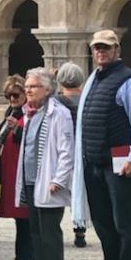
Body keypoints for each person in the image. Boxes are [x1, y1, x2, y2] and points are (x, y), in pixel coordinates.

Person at [74, 29, 131, 260]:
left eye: (105, 48)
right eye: (96, 47)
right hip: (95, 162)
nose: (100, 52)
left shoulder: (128, 81)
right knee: (103, 223)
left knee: (123, 225)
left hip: (119, 164)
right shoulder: (95, 78)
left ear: (117, 50)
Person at [14, 67, 75, 260]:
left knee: (50, 231)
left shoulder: (58, 113)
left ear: (47, 89)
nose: (28, 90)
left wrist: (59, 179)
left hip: (49, 180)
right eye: (27, 86)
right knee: (37, 231)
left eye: (33, 86)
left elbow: (66, 148)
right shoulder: (31, 112)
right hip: (31, 179)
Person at [0, 74, 33, 260]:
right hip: (11, 169)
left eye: (15, 95)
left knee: (27, 216)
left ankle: (32, 258)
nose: (12, 99)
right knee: (19, 217)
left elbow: (30, 141)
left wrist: (15, 130)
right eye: (8, 95)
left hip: (23, 169)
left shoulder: (28, 114)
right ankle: (20, 257)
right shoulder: (12, 111)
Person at [56, 61, 88, 247]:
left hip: (62, 151)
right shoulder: (87, 99)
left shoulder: (56, 101)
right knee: (79, 190)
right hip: (82, 151)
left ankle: (54, 228)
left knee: (60, 190)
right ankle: (80, 230)